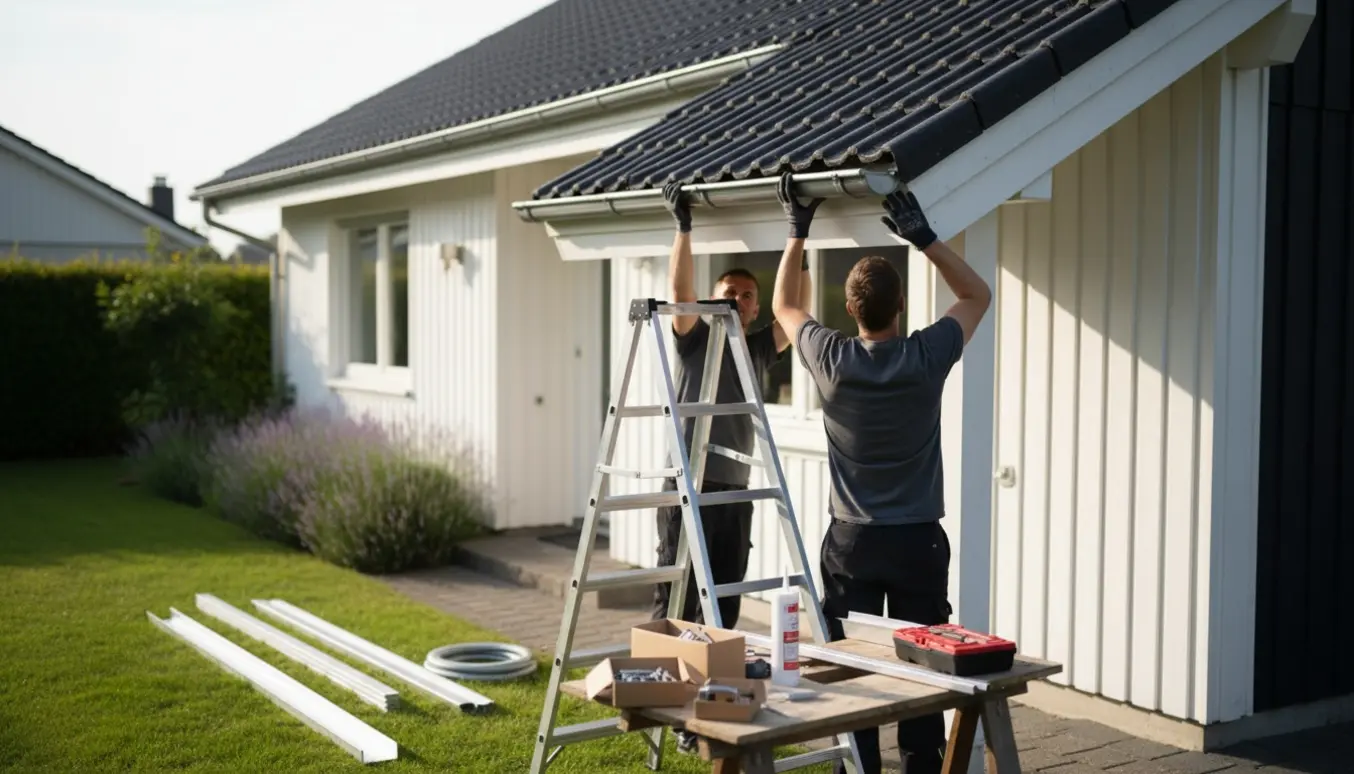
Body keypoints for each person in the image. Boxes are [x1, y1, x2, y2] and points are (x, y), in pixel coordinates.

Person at [767, 172, 992, 774]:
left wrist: (798, 229)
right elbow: (977, 296)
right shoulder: (926, 356)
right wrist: (926, 239)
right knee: (923, 664)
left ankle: (857, 765)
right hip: (918, 537)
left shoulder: (831, 358)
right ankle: (921, 763)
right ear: (901, 307)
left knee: (851, 664)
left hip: (853, 542)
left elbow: (785, 305)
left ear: (850, 309)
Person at [650, 179, 812, 632]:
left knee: (725, 594)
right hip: (686, 483)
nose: (735, 300)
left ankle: (713, 679)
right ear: (711, 300)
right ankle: (659, 683)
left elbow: (797, 308)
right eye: (727, 293)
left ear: (756, 308)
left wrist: (803, 242)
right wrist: (684, 227)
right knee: (675, 593)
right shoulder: (693, 336)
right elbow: (678, 288)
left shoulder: (758, 348)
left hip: (734, 491)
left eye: (745, 296)